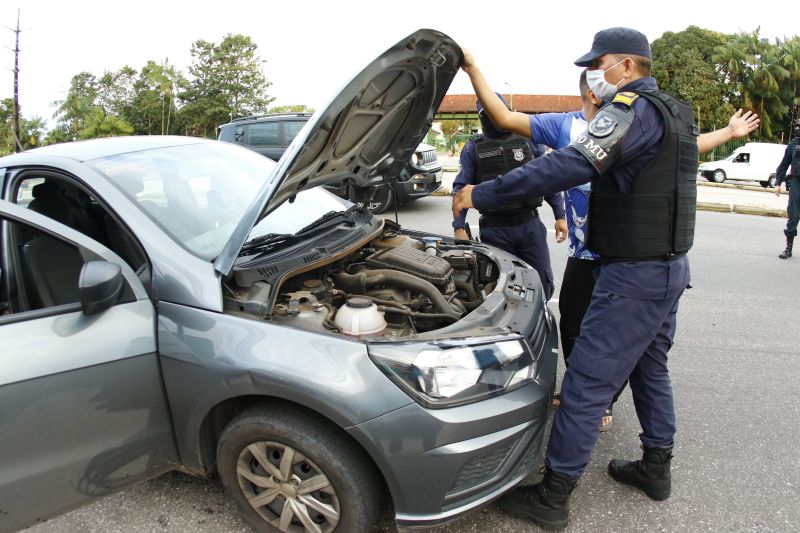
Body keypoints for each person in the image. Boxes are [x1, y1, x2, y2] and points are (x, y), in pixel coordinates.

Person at [452, 27, 753, 530]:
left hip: (633, 275)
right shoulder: (676, 112)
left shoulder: (629, 111)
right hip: (669, 269)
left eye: (599, 64)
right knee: (650, 369)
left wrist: (479, 195)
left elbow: (567, 166)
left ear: (627, 66)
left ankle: (554, 495)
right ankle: (655, 468)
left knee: (587, 382)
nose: (594, 73)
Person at [451, 94, 567, 301]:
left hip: (529, 224)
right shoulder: (473, 148)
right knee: (501, 289)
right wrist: (459, 228)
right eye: (488, 113)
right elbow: (460, 189)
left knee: (541, 284)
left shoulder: (529, 140)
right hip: (495, 230)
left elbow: (546, 178)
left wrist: (560, 215)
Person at [774, 128, 800, 259]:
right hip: (796, 184)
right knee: (793, 215)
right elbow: (784, 164)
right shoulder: (794, 144)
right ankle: (788, 248)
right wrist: (778, 183)